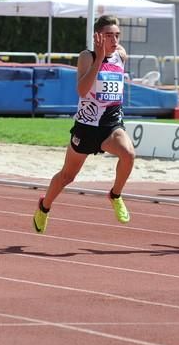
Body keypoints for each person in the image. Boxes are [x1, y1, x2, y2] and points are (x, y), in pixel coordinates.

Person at [33, 16, 135, 233]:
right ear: (97, 37)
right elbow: (81, 90)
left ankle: (115, 194)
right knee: (67, 176)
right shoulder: (86, 57)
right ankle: (44, 206)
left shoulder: (121, 56)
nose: (114, 40)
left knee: (129, 154)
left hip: (111, 124)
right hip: (86, 127)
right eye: (109, 35)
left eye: (117, 35)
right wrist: (99, 60)